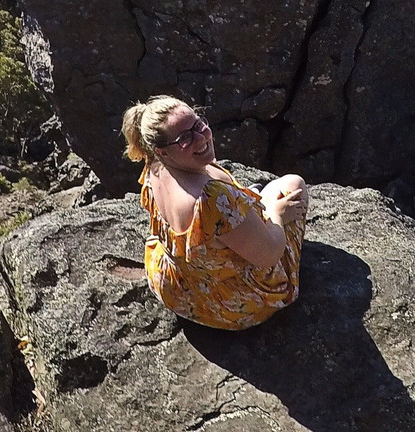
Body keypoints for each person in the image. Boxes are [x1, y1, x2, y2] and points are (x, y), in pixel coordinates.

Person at [122, 95, 308, 330]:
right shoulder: (213, 198)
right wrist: (277, 214)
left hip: (178, 287)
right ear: (163, 152)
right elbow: (269, 255)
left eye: (198, 125)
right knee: (294, 185)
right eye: (185, 138)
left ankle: (243, 216)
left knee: (250, 202)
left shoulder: (155, 167)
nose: (201, 137)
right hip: (231, 304)